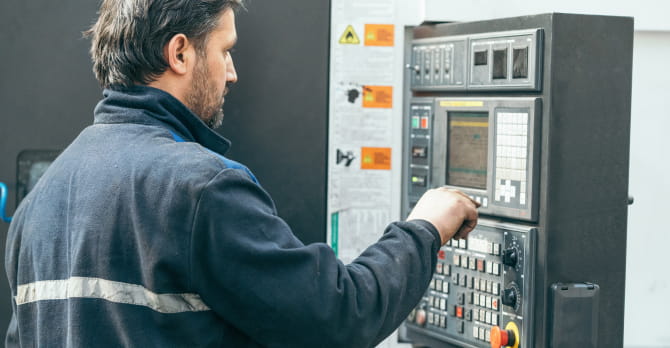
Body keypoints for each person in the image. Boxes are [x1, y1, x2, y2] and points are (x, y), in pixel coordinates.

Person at [4, 0, 479, 347]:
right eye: (225, 50)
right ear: (181, 54)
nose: (231, 73)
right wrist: (425, 229)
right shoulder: (200, 189)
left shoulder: (38, 203)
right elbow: (338, 318)